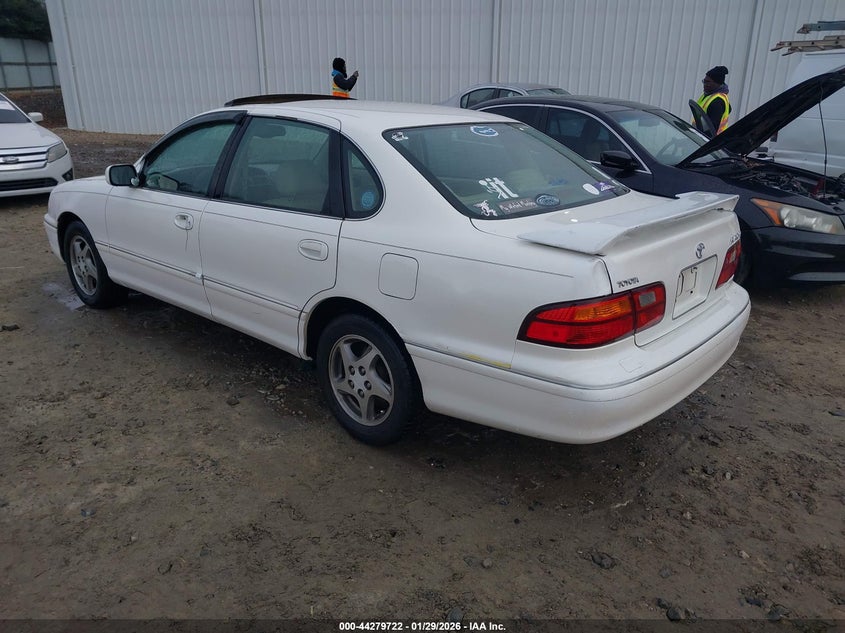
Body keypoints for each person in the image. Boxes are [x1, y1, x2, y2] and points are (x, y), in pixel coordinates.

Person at [695, 66, 731, 135]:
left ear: (717, 83)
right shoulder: (708, 95)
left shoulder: (717, 102)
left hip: (709, 141)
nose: (705, 85)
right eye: (704, 81)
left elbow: (710, 130)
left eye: (708, 82)